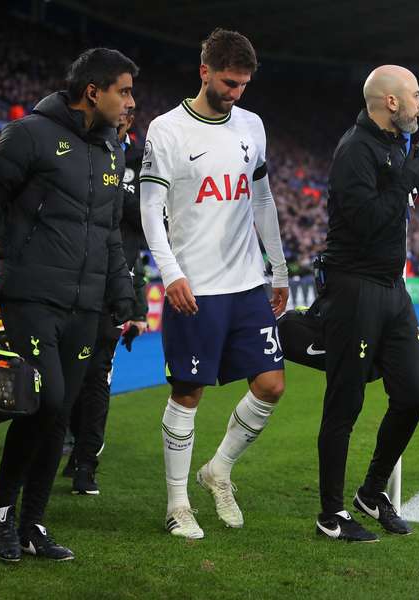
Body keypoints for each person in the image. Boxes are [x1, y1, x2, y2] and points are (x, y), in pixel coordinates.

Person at [0, 48, 137, 563]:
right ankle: (0, 511)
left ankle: (34, 523)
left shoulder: (112, 151)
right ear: (93, 92)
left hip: (85, 305)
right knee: (47, 398)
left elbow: (107, 235)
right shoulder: (29, 134)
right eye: (123, 92)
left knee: (60, 416)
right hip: (31, 295)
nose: (129, 103)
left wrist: (121, 294)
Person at [140, 28, 288, 540]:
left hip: (247, 281)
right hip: (195, 286)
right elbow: (149, 208)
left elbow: (262, 200)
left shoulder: (252, 125)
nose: (236, 93)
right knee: (189, 392)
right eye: (229, 82)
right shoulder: (166, 130)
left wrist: (280, 268)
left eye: (244, 84)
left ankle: (218, 469)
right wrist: (171, 272)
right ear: (204, 71)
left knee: (271, 384)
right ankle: (177, 504)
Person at [316, 65, 419, 543]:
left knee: (413, 395)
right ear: (391, 102)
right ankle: (331, 515)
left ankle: (371, 491)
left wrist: (402, 173)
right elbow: (367, 223)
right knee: (346, 402)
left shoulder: (393, 147)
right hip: (353, 286)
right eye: (416, 96)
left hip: (391, 287)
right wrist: (404, 179)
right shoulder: (355, 151)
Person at [65, 107, 149, 495]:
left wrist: (136, 305)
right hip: (71, 278)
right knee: (67, 374)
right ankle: (68, 443)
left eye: (130, 111)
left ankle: (86, 462)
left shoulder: (142, 158)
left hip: (113, 281)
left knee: (97, 375)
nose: (123, 115)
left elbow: (150, 219)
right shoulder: (79, 149)